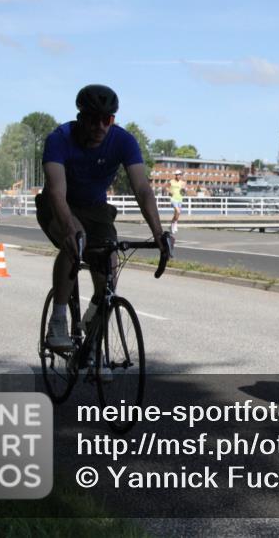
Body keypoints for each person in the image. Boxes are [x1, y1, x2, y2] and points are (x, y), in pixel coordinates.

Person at [37, 84, 170, 358]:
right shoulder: (59, 139)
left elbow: (142, 189)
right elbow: (56, 192)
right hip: (58, 204)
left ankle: (94, 325)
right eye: (92, 119)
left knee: (108, 263)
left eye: (107, 119)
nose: (100, 126)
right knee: (73, 244)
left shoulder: (123, 141)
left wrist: (158, 232)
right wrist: (70, 228)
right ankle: (59, 319)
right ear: (80, 117)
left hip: (96, 207)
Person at [168, 169, 186, 234]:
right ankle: (173, 225)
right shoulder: (171, 181)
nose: (179, 176)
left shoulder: (182, 182)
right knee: (178, 211)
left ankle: (174, 223)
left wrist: (183, 189)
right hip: (173, 199)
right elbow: (166, 187)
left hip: (179, 199)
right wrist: (169, 191)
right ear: (175, 175)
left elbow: (183, 191)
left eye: (180, 175)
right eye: (177, 175)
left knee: (177, 213)